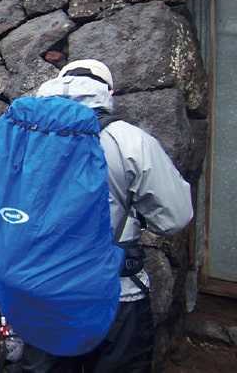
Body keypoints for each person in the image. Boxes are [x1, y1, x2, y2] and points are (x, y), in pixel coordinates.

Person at [20, 59, 193, 372]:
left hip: (43, 293)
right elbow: (175, 218)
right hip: (115, 297)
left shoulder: (25, 137)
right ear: (109, 93)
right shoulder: (126, 139)